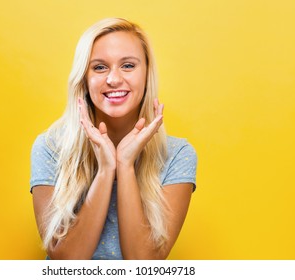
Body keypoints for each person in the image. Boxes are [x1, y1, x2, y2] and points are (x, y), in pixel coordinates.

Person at [30, 18, 197, 260]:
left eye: (128, 66)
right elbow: (65, 262)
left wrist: (125, 165)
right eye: (99, 67)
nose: (114, 79)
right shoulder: (50, 148)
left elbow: (145, 265)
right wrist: (106, 170)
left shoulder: (178, 155)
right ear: (84, 79)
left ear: (147, 74)